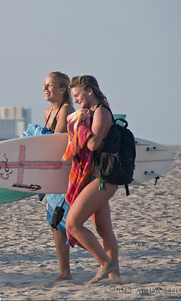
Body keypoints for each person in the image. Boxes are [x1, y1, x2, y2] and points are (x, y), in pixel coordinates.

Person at [64, 75, 120, 284]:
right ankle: (116, 278)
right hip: (97, 178)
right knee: (104, 230)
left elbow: (93, 144)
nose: (76, 100)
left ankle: (105, 263)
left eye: (77, 95)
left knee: (72, 223)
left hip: (103, 179)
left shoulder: (101, 112)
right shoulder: (93, 113)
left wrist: (80, 125)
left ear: (89, 90)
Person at [42, 71, 75, 280]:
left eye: (50, 85)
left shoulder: (67, 110)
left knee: (65, 223)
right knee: (55, 225)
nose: (45, 88)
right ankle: (64, 272)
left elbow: (56, 143)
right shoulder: (48, 112)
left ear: (63, 89)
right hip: (52, 173)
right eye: (44, 84)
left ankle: (106, 261)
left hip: (66, 174)